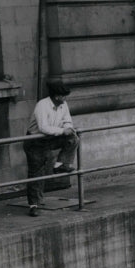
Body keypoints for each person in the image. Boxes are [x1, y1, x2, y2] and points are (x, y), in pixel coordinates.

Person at [23, 81, 79, 216]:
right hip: (36, 140)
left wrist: (68, 128)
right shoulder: (42, 106)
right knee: (37, 172)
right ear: (56, 96)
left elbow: (67, 120)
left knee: (73, 139)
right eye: (63, 96)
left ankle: (60, 164)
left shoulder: (63, 105)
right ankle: (34, 205)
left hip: (51, 137)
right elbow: (43, 127)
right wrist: (62, 131)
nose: (66, 99)